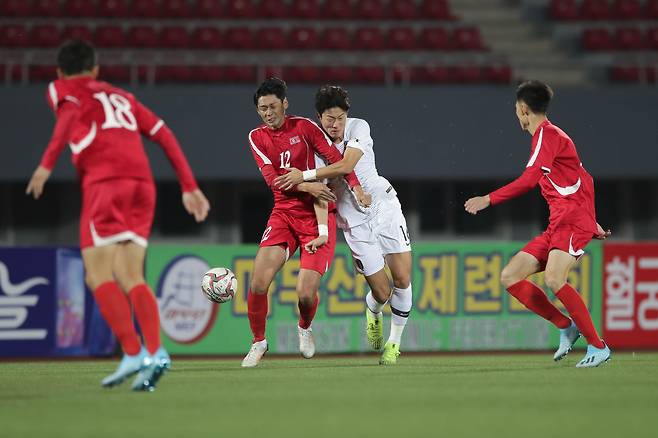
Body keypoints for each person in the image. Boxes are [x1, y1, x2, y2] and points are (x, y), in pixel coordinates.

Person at [26, 40, 210, 389]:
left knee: (97, 275)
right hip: (143, 185)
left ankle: (132, 352)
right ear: (95, 69)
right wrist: (189, 185)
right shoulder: (121, 96)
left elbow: (67, 116)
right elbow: (163, 133)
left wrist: (45, 165)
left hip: (106, 183)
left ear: (59, 72)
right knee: (130, 275)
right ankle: (156, 352)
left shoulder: (62, 88)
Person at [464, 80, 612, 368]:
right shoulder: (548, 138)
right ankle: (566, 326)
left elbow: (530, 180)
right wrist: (593, 222)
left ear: (522, 109)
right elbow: (584, 178)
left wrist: (489, 199)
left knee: (555, 279)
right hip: (560, 223)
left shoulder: (548, 135)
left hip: (571, 221)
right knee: (510, 276)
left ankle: (598, 346)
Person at [275, 85, 412, 365]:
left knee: (402, 278)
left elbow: (347, 165)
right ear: (319, 117)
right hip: (353, 224)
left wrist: (304, 175)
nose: (336, 124)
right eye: (330, 119)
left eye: (340, 118)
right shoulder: (311, 145)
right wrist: (323, 231)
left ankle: (394, 344)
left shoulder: (359, 126)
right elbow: (321, 195)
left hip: (383, 207)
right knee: (382, 292)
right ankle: (372, 310)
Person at [243, 77, 370, 368]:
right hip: (284, 213)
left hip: (319, 213)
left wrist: (357, 188)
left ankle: (304, 326)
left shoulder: (305, 128)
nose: (268, 113)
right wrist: (307, 186)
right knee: (259, 281)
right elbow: (272, 180)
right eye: (262, 109)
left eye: (273, 106)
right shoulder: (256, 137)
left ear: (285, 104)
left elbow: (336, 159)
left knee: (304, 293)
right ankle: (258, 342)